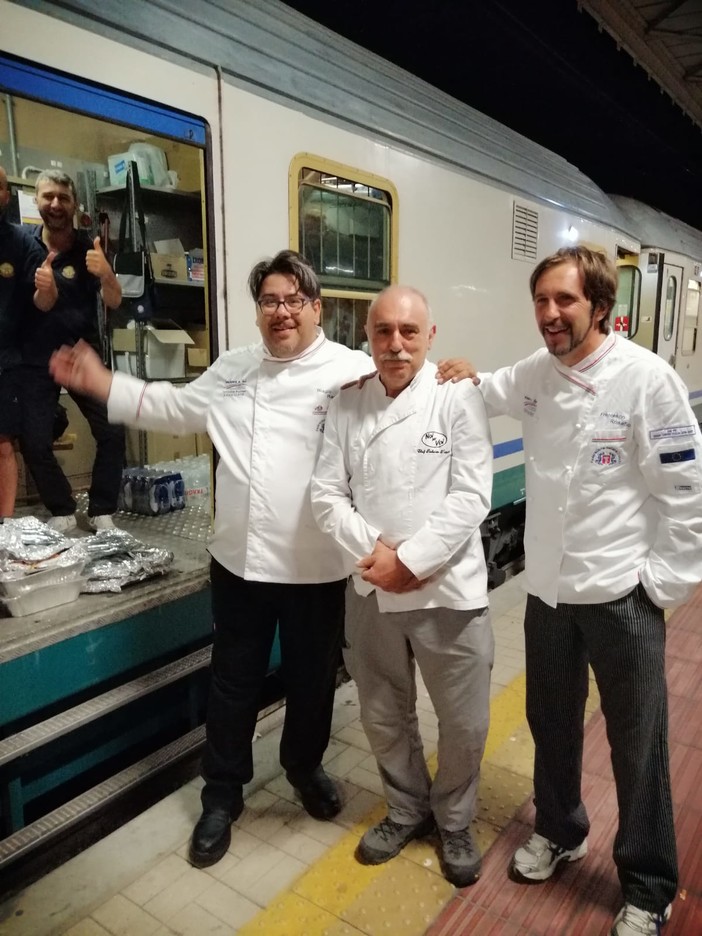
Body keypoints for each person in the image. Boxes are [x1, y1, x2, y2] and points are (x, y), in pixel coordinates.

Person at [49, 249, 380, 869]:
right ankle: (222, 796)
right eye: (269, 302)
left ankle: (304, 769)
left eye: (292, 301)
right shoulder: (233, 369)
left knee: (312, 682)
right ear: (258, 312)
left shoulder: (351, 370)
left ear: (316, 308)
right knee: (232, 685)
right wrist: (102, 384)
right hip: (239, 563)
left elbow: (407, 389)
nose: (280, 312)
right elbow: (172, 407)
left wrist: (453, 375)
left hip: (315, 568)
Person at [439, 246, 702, 934]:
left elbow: (687, 493)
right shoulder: (536, 374)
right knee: (549, 723)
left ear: (601, 308)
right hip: (549, 593)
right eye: (542, 301)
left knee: (637, 744)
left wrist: (658, 584)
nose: (551, 315)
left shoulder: (648, 381)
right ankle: (561, 829)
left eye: (566, 301)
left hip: (621, 595)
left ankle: (648, 886)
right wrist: (461, 373)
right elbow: (488, 389)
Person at [311, 285, 494, 887]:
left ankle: (457, 819)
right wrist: (376, 555)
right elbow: (325, 493)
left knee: (463, 721)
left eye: (408, 332)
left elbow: (472, 495)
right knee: (385, 713)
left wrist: (410, 561)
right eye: (383, 331)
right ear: (369, 336)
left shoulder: (455, 396)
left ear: (430, 337)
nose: (395, 344)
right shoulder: (348, 403)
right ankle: (408, 808)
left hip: (447, 591)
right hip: (370, 589)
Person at [21, 169, 125, 532]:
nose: (55, 204)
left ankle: (101, 510)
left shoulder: (89, 247)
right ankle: (62, 508)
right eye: (48, 196)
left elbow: (113, 300)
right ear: (36, 201)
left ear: (74, 204)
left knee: (113, 430)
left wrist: (108, 273)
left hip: (82, 355)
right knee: (33, 440)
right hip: (35, 358)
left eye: (63, 198)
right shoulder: (22, 243)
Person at [0, 166, 56, 516]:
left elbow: (43, 302)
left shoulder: (21, 242)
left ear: (6, 195)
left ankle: (3, 527)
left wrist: (47, 288)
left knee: (3, 447)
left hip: (5, 364)